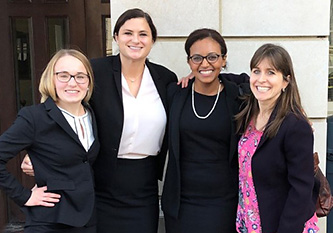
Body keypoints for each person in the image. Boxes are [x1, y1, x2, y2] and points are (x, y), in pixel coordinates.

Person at [86, 8, 178, 233]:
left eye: (143, 34)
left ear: (152, 40)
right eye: (128, 33)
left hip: (144, 184)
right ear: (116, 37)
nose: (135, 40)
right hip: (101, 183)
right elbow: (63, 106)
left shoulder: (165, 78)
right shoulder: (95, 71)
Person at [0, 49, 100, 233]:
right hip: (49, 221)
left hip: (87, 220)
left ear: (88, 82)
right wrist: (24, 196)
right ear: (51, 79)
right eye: (64, 76)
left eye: (80, 76)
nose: (72, 83)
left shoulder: (92, 115)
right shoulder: (34, 117)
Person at [161, 28, 249, 233]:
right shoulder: (175, 93)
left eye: (212, 57)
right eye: (197, 58)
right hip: (181, 203)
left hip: (224, 202)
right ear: (189, 61)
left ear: (224, 59)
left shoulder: (238, 96)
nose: (205, 63)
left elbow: (265, 84)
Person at [235, 43, 319, 233]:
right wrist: (198, 74)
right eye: (256, 71)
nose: (261, 79)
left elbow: (301, 189)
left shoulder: (295, 125)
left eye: (271, 72)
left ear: (285, 81)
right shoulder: (248, 115)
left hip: (282, 224)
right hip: (249, 221)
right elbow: (230, 79)